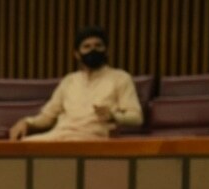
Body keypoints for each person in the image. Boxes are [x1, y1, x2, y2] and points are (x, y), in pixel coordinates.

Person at [9, 26, 142, 141]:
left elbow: (137, 118)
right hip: (59, 136)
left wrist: (114, 117)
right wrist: (25, 122)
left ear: (107, 51)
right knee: (17, 148)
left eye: (98, 46)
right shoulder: (69, 81)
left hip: (93, 139)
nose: (93, 50)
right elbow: (47, 118)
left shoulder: (121, 78)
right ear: (77, 54)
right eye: (87, 47)